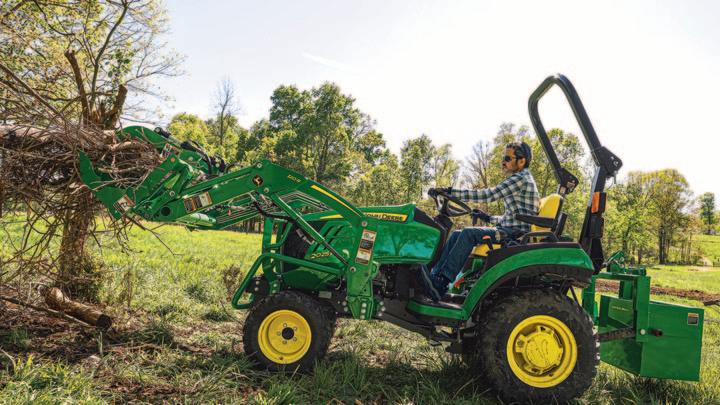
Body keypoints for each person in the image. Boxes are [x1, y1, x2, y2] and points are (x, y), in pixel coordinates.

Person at [423, 141, 540, 299]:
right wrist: (487, 217)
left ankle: (441, 281)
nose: (503, 162)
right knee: (457, 234)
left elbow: (489, 195)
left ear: (521, 161)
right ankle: (434, 276)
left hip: (514, 235)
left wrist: (451, 192)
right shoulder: (522, 179)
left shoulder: (520, 178)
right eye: (503, 158)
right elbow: (512, 218)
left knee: (468, 234)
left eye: (507, 158)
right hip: (510, 230)